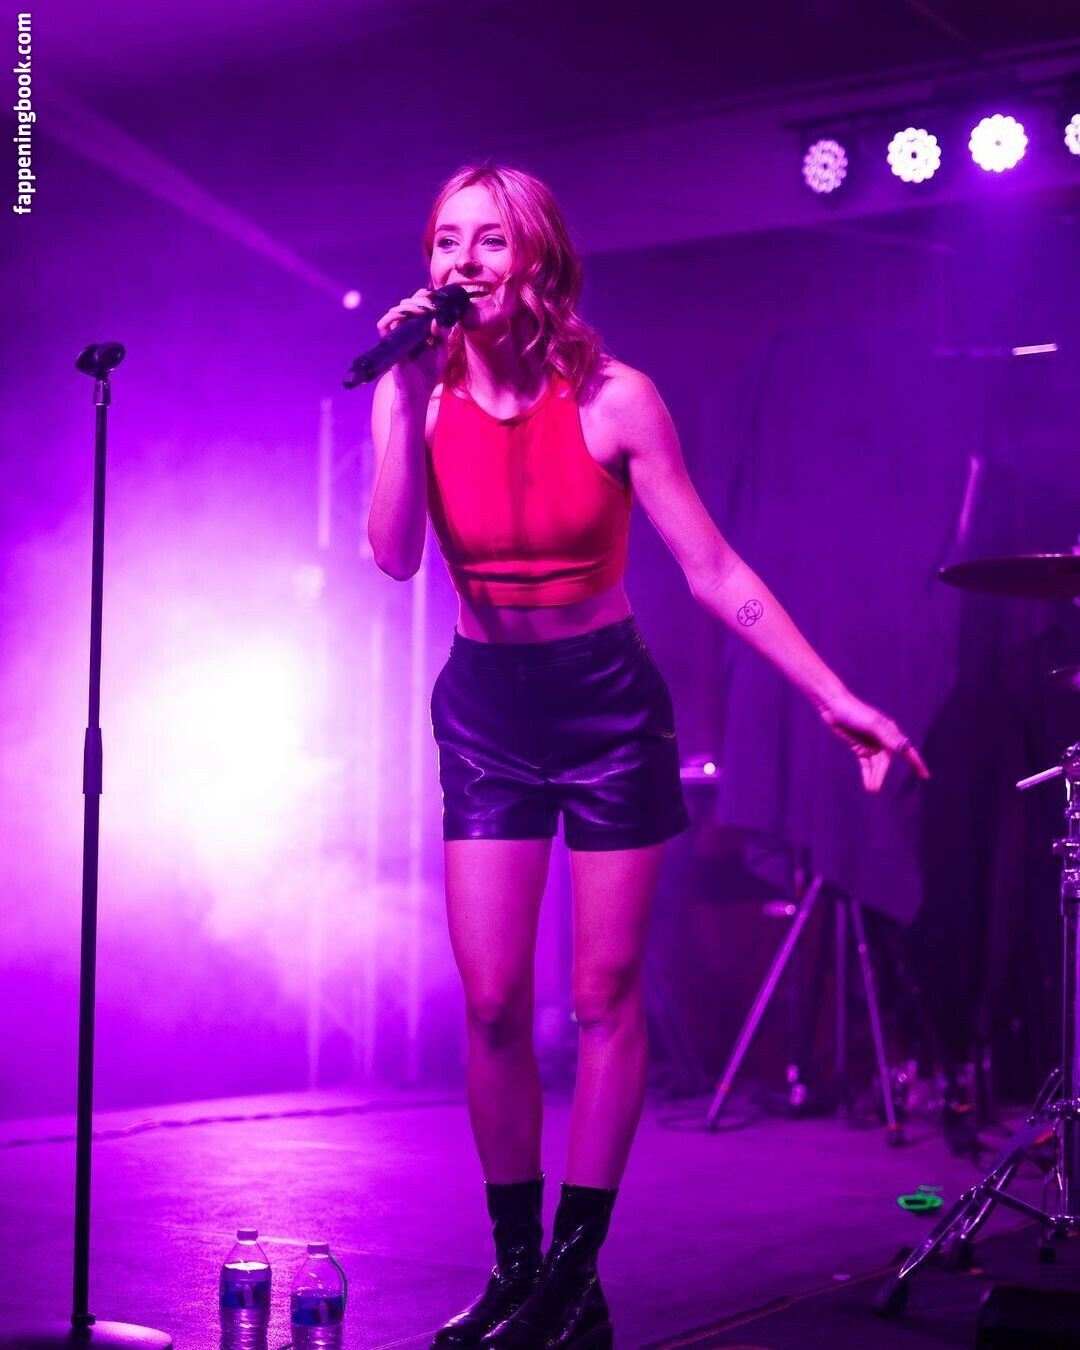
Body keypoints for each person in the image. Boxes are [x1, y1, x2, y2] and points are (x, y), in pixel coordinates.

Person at [367, 163, 929, 1350]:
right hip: (487, 708)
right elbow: (394, 556)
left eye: (489, 240)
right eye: (445, 242)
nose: (463, 262)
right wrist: (397, 403)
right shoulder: (416, 393)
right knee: (492, 1002)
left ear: (538, 259)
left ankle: (575, 1277)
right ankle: (519, 1272)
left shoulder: (617, 399)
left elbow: (715, 570)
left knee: (601, 996)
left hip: (607, 708)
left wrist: (834, 697)